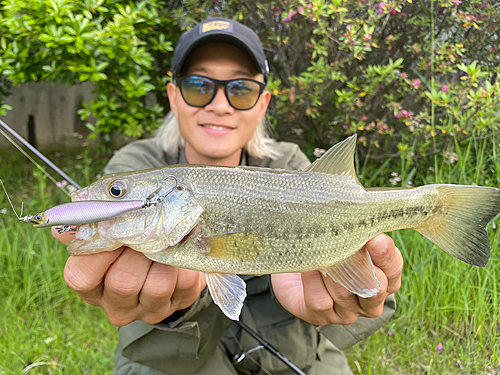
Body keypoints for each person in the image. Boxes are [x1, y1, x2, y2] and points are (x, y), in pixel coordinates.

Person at [55, 17, 403, 375]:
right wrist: (175, 309)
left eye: (240, 89)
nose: (219, 104)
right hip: (176, 359)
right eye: (197, 85)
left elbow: (365, 284)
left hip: (293, 350)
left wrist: (348, 290)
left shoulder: (294, 166)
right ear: (173, 96)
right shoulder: (136, 164)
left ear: (262, 102)